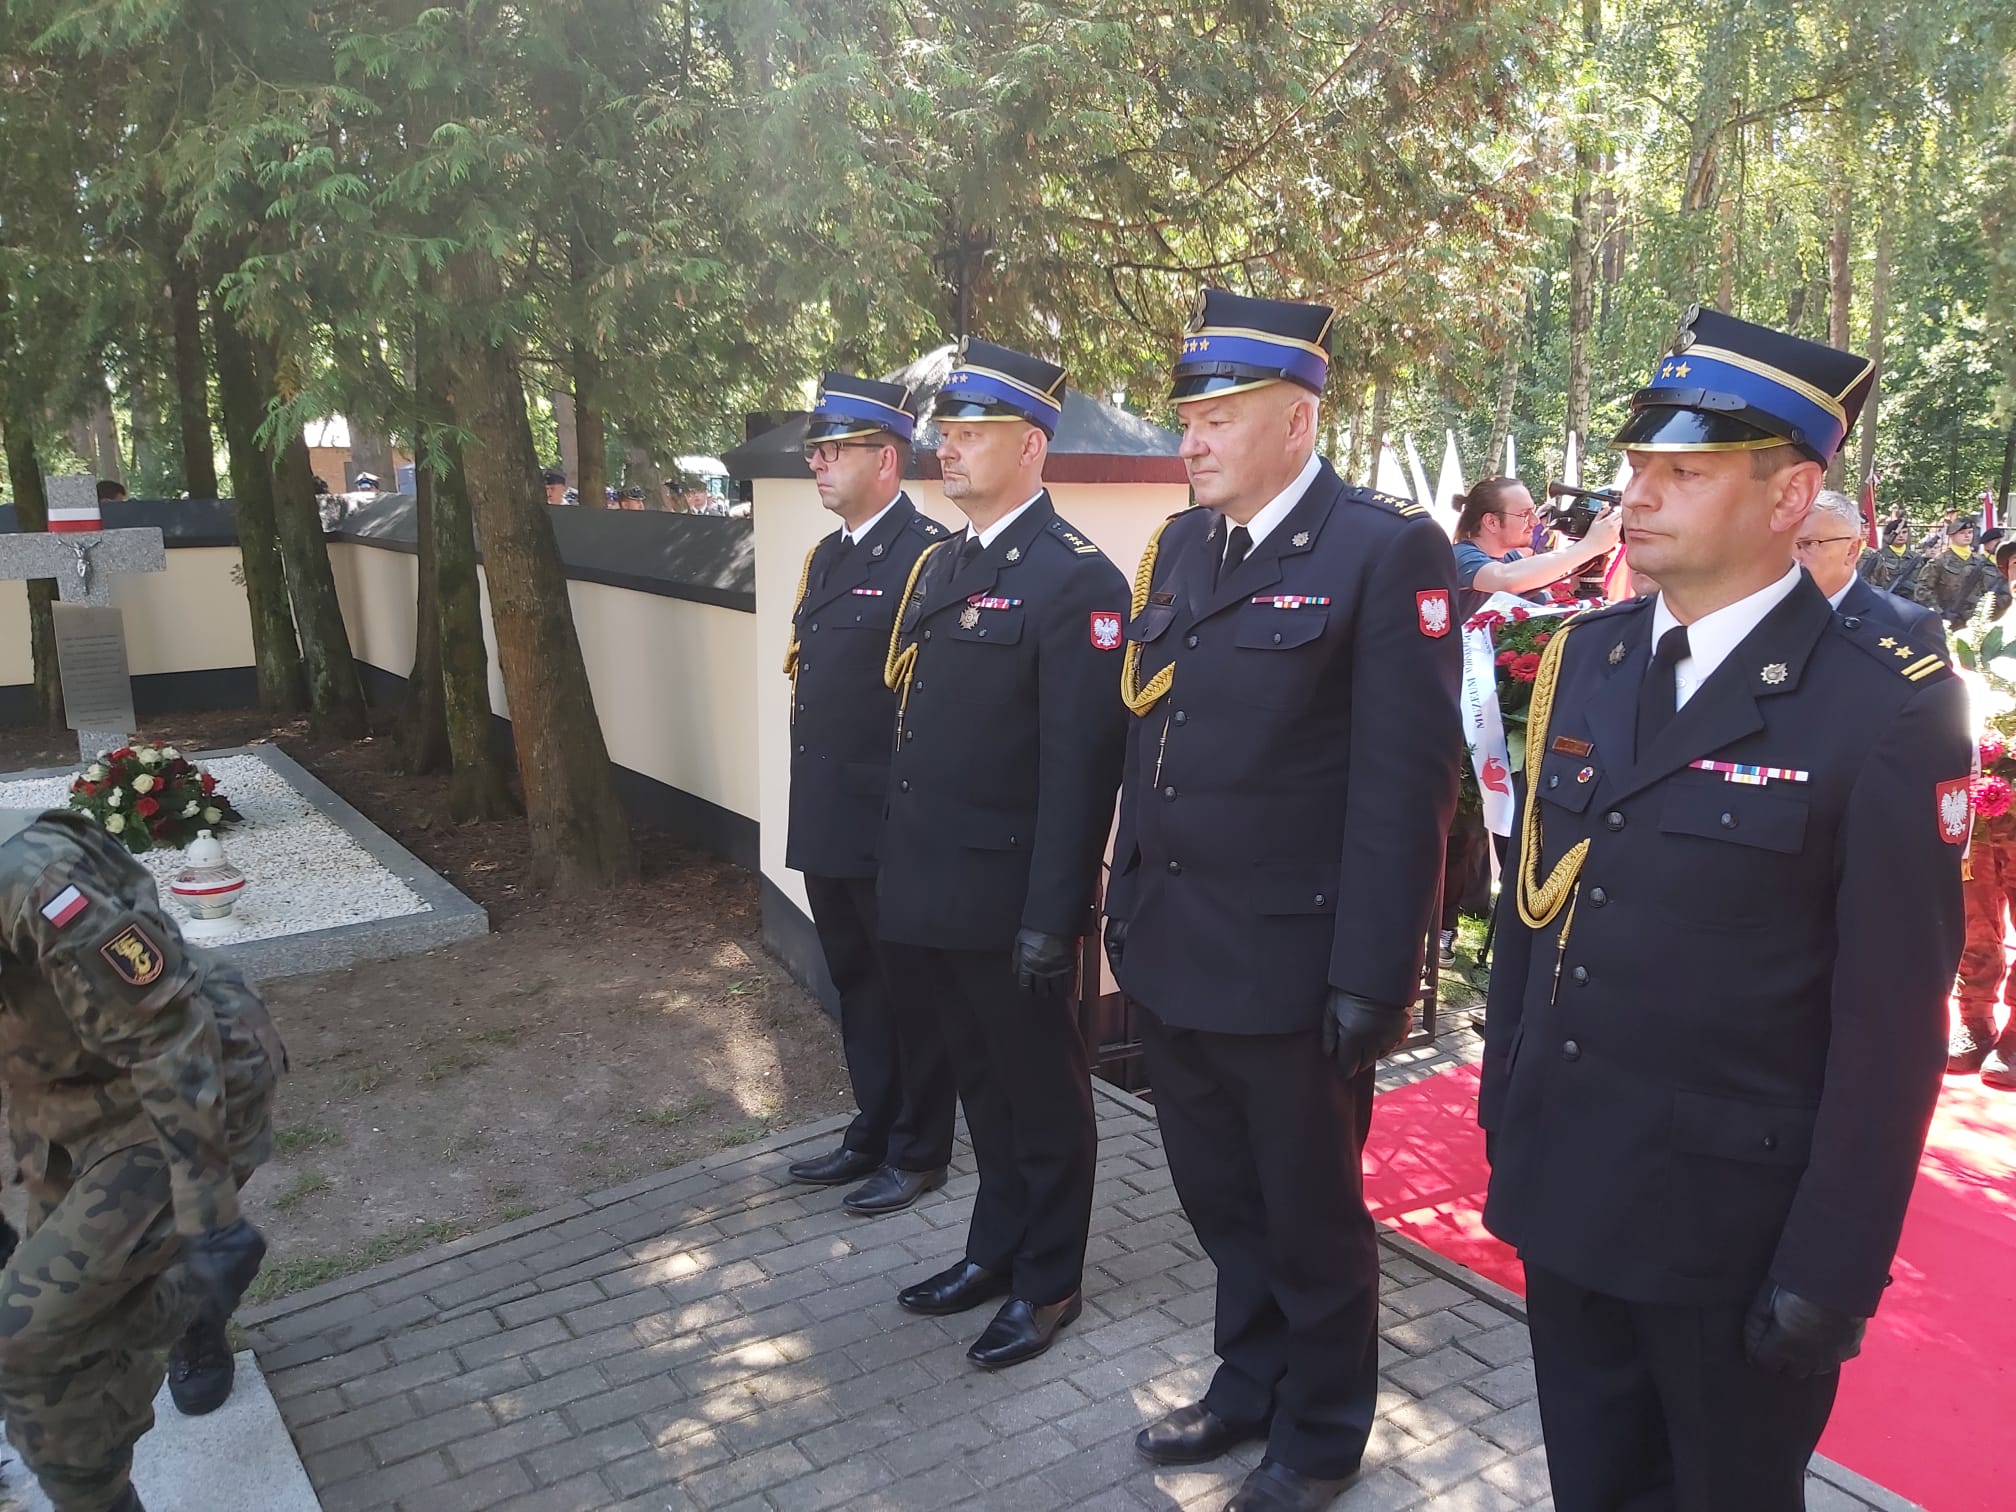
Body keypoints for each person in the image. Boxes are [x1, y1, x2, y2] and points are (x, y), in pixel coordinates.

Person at [1478, 305, 1970, 1512]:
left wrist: (1834, 1265)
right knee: (1595, 1485)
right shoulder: (1590, 657)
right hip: (1572, 1183)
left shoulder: (1885, 704)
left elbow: (1891, 1022)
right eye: (1638, 464)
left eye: (1684, 472)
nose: (1636, 495)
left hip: (1731, 1233)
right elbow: (1538, 913)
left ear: (1790, 495)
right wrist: (1507, 1109)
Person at [1105, 289, 1462, 1512]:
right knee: (1220, 1200)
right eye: (1188, 418)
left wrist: (1375, 974)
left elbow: (1406, 785)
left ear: (1298, 422)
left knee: (1310, 1220)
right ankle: (1247, 1383)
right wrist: (1125, 902)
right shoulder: (1185, 546)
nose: (1191, 440)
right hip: (1175, 950)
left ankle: (1321, 1430)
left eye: (1218, 417)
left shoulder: (1382, 551)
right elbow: (1155, 744)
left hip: (1291, 968)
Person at [877, 338, 1127, 1369]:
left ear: (1031, 446)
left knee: (1043, 1097)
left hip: (1013, 899)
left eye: (971, 433)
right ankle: (994, 1249)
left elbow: (1081, 770)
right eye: (946, 431)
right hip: (935, 890)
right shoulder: (947, 563)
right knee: (982, 1086)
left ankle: (1049, 1278)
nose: (948, 447)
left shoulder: (1078, 580)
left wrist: (1052, 918)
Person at [0, 805, 283, 1512]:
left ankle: (190, 1301)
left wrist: (210, 1222)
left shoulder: (35, 880)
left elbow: (166, 1036)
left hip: (186, 1089)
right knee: (55, 1338)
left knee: (23, 1335)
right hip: (64, 1103)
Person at [781, 373, 957, 1214]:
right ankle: (874, 1127)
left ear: (885, 460)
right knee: (855, 980)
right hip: (829, 814)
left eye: (833, 449)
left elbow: (935, 709)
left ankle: (921, 1149)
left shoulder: (930, 557)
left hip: (891, 825)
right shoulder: (828, 555)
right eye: (814, 450)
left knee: (911, 992)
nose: (816, 463)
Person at [1452, 476, 1622, 620]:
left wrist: (1587, 562)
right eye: (1524, 514)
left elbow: (1543, 609)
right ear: (1492, 522)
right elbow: (1505, 579)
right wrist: (1590, 545)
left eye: (1533, 511)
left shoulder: (1511, 558)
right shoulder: (1460, 556)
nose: (1535, 521)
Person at [1801, 489, 1944, 640]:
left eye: (1809, 543)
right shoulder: (1786, 610)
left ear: (1851, 550)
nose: (1794, 555)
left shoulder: (1911, 625)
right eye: (1787, 543)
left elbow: (1883, 581)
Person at [1912, 514, 2010, 628]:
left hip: (1976, 623)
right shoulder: (1939, 562)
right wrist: (1939, 614)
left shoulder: (1983, 562)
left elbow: (1998, 589)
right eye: (1962, 533)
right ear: (1951, 535)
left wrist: (1989, 613)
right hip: (1947, 620)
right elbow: (1923, 590)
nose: (1967, 536)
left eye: (1970, 532)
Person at [1856, 516, 1914, 591]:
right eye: (1859, 527)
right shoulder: (1878, 555)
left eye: (1866, 527)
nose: (1901, 535)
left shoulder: (1875, 555)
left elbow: (1882, 582)